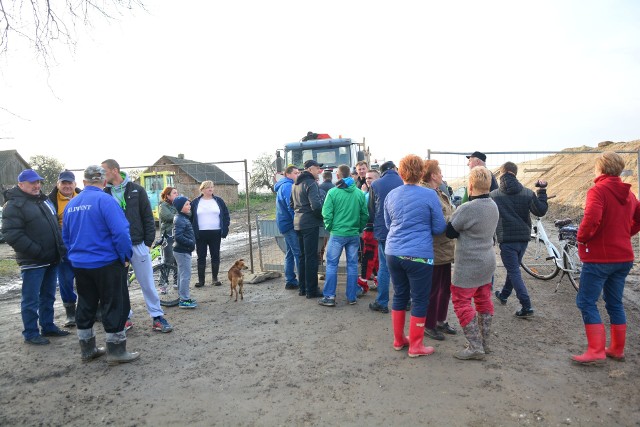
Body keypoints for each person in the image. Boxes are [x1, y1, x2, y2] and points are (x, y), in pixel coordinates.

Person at [62, 165, 139, 364]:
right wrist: (125, 256)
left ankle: (87, 349)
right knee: (114, 303)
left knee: (86, 304)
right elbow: (121, 233)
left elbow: (66, 237)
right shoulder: (106, 201)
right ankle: (116, 351)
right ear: (104, 182)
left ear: (84, 182)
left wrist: (76, 256)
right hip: (106, 263)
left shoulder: (72, 204)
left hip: (81, 265)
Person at [572, 151, 640, 365]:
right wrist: (625, 234)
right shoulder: (629, 194)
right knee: (614, 303)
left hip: (600, 258)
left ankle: (596, 350)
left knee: (586, 301)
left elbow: (591, 219)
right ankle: (617, 349)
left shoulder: (598, 191)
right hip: (623, 256)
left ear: (600, 169)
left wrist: (582, 238)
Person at [101, 159, 173, 333]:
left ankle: (157, 317)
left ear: (115, 170)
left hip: (138, 244)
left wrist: (147, 243)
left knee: (147, 282)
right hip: (115, 247)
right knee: (119, 284)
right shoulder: (105, 193)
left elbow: (148, 217)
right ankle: (125, 318)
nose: (102, 175)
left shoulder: (137, 190)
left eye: (104, 171)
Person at [385, 155, 446, 357]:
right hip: (419, 255)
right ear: (421, 173)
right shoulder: (429, 196)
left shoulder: (391, 195)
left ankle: (398, 339)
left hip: (393, 252)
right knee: (420, 299)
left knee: (400, 295)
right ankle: (416, 346)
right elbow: (438, 227)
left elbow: (388, 224)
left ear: (400, 173)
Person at [2, 169, 71, 345]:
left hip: (51, 258)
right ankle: (31, 333)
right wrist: (37, 251)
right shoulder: (14, 205)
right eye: (32, 183)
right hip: (33, 261)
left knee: (48, 296)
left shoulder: (44, 201)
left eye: (38, 182)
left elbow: (55, 226)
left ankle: (48, 326)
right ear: (21, 184)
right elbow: (11, 234)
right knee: (31, 299)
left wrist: (60, 248)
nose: (37, 185)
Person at [446, 166, 500, 360]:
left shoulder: (467, 208)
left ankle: (474, 346)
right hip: (487, 261)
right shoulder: (493, 205)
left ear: (470, 185)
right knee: (483, 299)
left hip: (468, 263)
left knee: (461, 301)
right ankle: (484, 343)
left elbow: (450, 232)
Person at [490, 161, 548, 318]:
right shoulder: (528, 193)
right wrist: (542, 191)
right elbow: (540, 211)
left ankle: (526, 305)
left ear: (501, 173)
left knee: (514, 270)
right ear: (515, 173)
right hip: (523, 238)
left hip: (506, 239)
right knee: (513, 268)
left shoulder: (494, 195)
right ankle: (504, 294)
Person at [318, 164, 369, 307]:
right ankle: (351, 296)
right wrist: (358, 228)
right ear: (350, 175)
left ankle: (329, 297)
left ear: (338, 176)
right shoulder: (359, 193)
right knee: (352, 265)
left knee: (332, 264)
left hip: (337, 234)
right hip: (353, 234)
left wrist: (330, 227)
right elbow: (364, 214)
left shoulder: (333, 193)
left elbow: (326, 214)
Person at [421, 160, 457, 341]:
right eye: (440, 172)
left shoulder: (437, 191)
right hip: (434, 247)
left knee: (445, 288)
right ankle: (429, 324)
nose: (442, 175)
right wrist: (456, 216)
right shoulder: (428, 193)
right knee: (434, 289)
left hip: (444, 247)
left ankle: (441, 320)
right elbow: (437, 219)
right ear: (433, 175)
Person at [368, 161, 403, 314]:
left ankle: (382, 302)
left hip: (383, 231)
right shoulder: (404, 181)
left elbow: (371, 210)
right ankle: (405, 300)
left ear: (381, 172)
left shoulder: (376, 185)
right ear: (395, 169)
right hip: (402, 230)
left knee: (384, 267)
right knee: (404, 266)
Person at [48, 170, 81, 327]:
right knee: (65, 281)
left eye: (70, 183)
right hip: (62, 247)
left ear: (75, 184)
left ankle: (94, 309)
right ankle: (70, 313)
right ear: (58, 184)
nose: (67, 186)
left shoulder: (83, 197)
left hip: (83, 244)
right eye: (64, 183)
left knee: (87, 279)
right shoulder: (50, 201)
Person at [290, 159, 325, 299]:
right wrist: (321, 218)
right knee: (311, 258)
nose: (319, 171)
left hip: (298, 222)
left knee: (303, 256)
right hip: (310, 223)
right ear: (310, 169)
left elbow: (291, 204)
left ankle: (303, 288)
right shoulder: (310, 183)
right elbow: (316, 206)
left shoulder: (295, 184)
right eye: (317, 168)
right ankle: (311, 290)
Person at [190, 180, 231, 287]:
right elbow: (190, 217)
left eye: (212, 187)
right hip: (200, 234)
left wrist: (225, 227)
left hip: (215, 233)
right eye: (208, 187)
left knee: (215, 255)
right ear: (202, 189)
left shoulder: (219, 201)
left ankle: (215, 279)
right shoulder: (195, 202)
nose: (210, 189)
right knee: (201, 256)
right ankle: (201, 281)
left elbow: (226, 215)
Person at [275, 165, 301, 290]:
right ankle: (303, 281)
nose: (298, 175)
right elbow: (291, 206)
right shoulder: (287, 186)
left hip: (285, 224)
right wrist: (297, 222)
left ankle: (290, 280)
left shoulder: (283, 185)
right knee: (298, 253)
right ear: (288, 174)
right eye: (296, 173)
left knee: (290, 253)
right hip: (290, 225)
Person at [172, 196, 198, 309]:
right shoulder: (180, 219)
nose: (189, 206)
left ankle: (183, 297)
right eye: (187, 204)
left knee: (182, 274)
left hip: (183, 250)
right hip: (182, 251)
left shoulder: (183, 217)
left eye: (189, 204)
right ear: (180, 207)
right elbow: (178, 237)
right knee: (185, 275)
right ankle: (184, 299)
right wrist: (191, 243)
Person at [358, 169, 381, 291]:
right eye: (367, 178)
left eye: (370, 178)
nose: (367, 180)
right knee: (375, 257)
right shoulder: (368, 193)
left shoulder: (370, 194)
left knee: (368, 256)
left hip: (371, 230)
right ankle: (378, 280)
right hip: (372, 229)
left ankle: (362, 283)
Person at [158, 186, 179, 266]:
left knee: (178, 261)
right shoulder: (163, 206)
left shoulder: (178, 204)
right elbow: (168, 216)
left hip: (178, 233)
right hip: (168, 235)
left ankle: (177, 278)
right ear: (167, 195)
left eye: (177, 193)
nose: (177, 194)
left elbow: (189, 213)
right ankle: (164, 278)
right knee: (169, 260)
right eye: (174, 193)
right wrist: (180, 215)